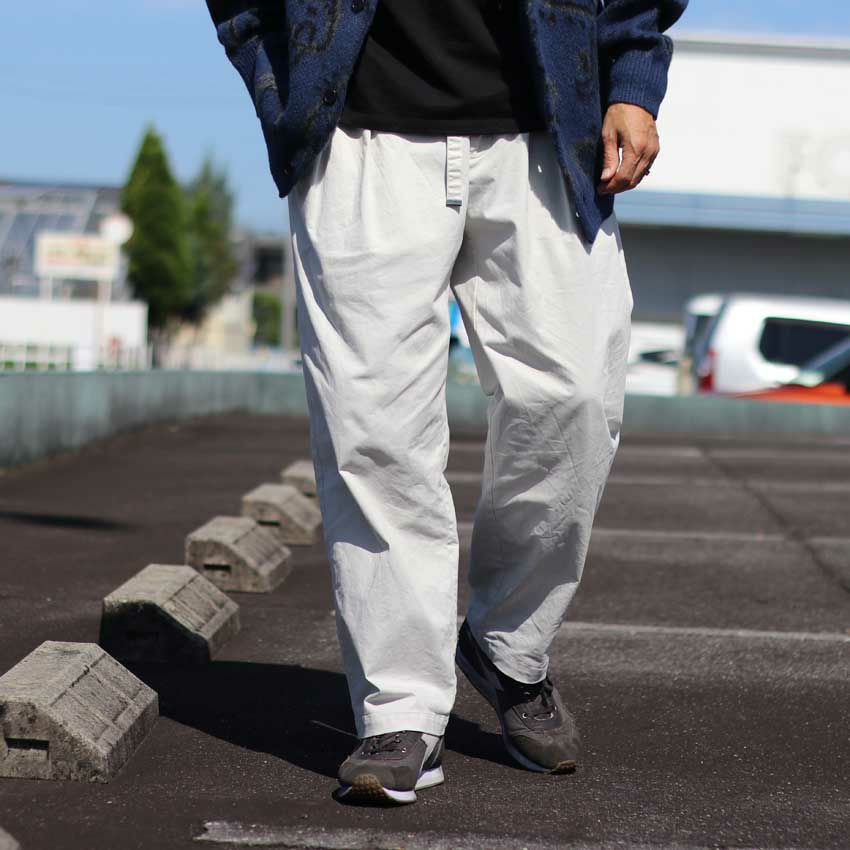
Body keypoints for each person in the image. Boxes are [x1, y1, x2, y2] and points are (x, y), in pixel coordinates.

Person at [205, 0, 688, 805]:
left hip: (548, 121)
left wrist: (633, 78)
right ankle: (399, 709)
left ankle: (509, 646)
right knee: (374, 430)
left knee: (575, 399)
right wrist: (279, 84)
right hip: (358, 133)